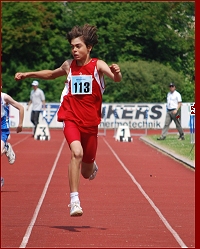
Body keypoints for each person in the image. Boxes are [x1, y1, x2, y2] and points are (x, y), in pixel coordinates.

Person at [14, 24, 122, 216]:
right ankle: (74, 201)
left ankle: (92, 165)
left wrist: (117, 71)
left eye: (78, 46)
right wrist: (28, 74)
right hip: (70, 117)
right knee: (76, 153)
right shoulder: (68, 65)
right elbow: (51, 74)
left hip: (91, 124)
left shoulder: (97, 65)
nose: (74, 50)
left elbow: (116, 78)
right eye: (72, 46)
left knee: (86, 172)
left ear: (89, 48)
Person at [1, 89, 25, 188]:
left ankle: (5, 147)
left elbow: (21, 107)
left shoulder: (4, 97)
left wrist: (20, 124)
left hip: (2, 129)